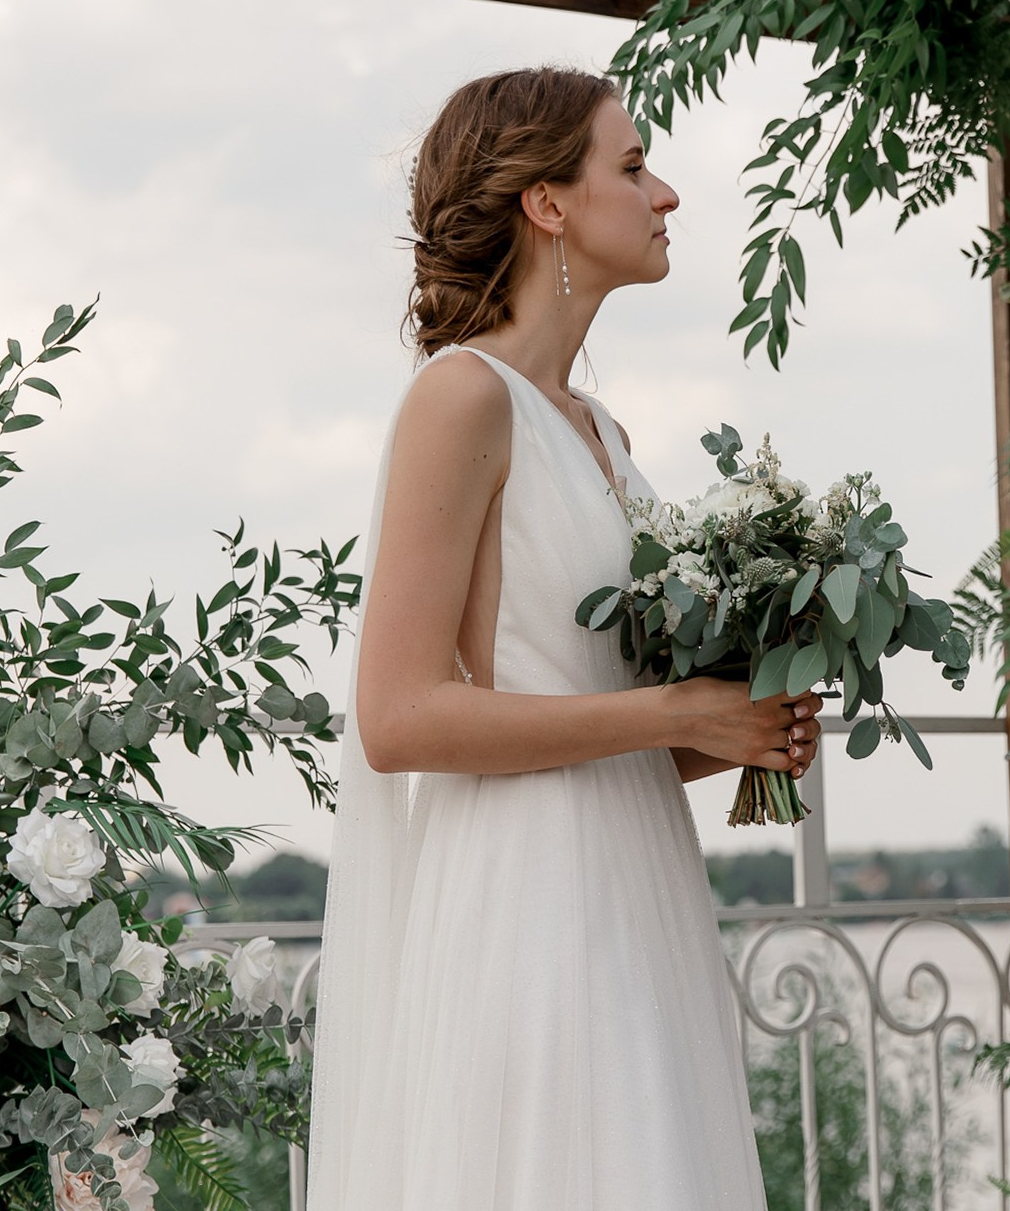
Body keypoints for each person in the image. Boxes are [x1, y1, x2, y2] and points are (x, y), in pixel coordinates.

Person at [304, 67, 818, 1210]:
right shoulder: (461, 398)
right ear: (548, 203)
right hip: (525, 901)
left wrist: (734, 728)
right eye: (632, 168)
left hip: (637, 886)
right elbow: (396, 718)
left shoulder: (604, 428)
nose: (667, 194)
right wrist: (675, 711)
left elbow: (594, 716)